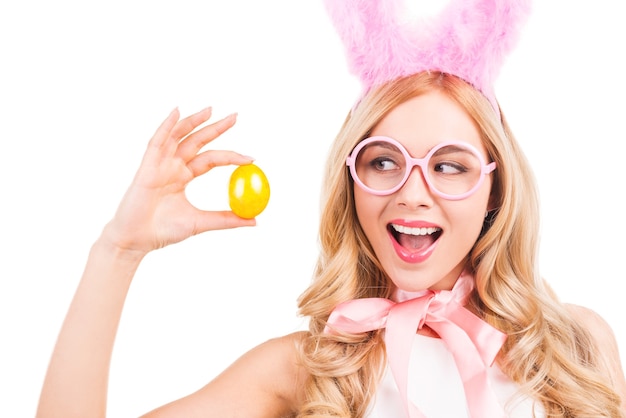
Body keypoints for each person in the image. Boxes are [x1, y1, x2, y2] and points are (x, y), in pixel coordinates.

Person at [36, 1, 626, 417]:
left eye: (450, 165)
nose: (412, 192)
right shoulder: (304, 369)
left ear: (495, 190)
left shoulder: (575, 346)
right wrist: (117, 249)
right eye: (383, 161)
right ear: (351, 181)